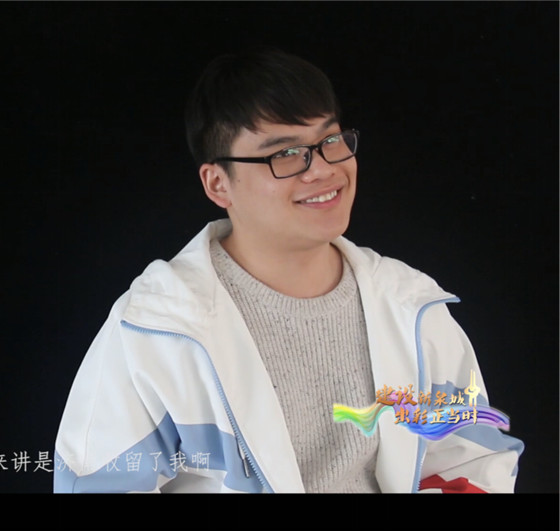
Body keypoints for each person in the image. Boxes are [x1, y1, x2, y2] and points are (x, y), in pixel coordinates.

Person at [53, 48, 524, 493]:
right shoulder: (156, 328)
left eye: (330, 141)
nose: (321, 170)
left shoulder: (410, 307)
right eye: (284, 154)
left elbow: (471, 460)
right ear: (218, 184)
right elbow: (96, 483)